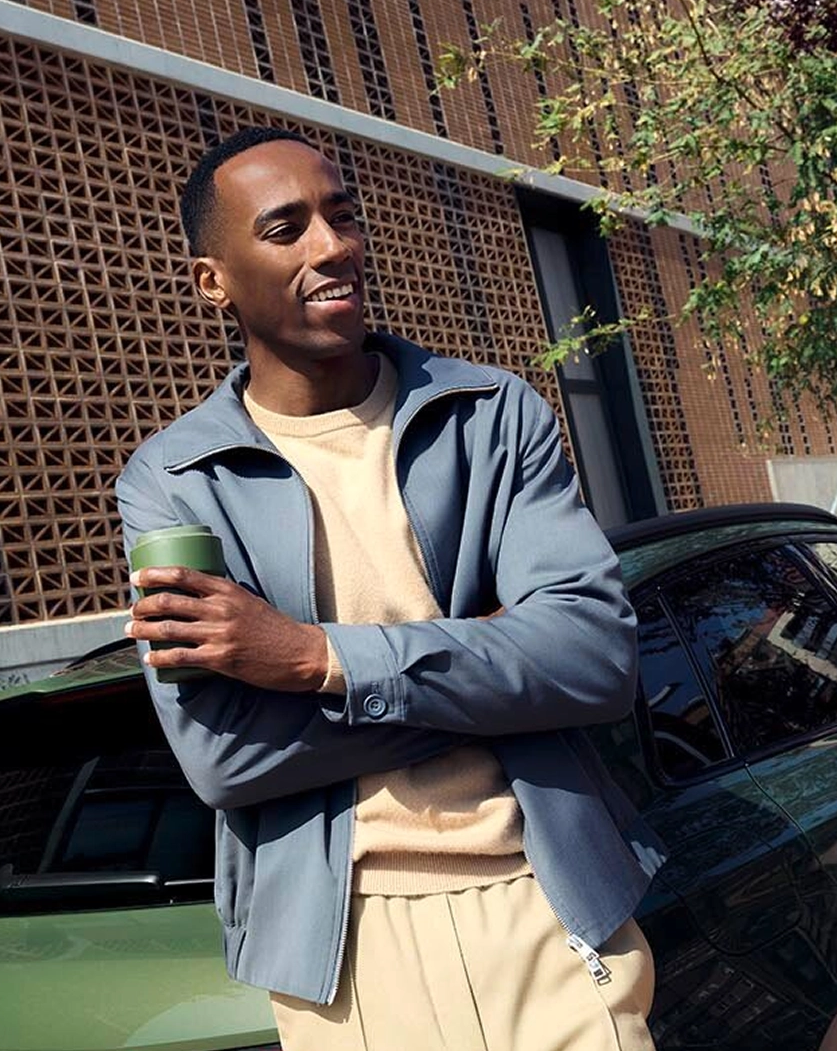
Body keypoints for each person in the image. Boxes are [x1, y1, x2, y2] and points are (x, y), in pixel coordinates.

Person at [116, 126, 665, 1050]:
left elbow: (597, 659)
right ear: (214, 280)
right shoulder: (176, 482)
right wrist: (493, 669)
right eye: (287, 228)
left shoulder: (490, 417)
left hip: (544, 902)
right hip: (342, 956)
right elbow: (226, 757)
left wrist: (313, 659)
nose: (333, 246)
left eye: (341, 215)